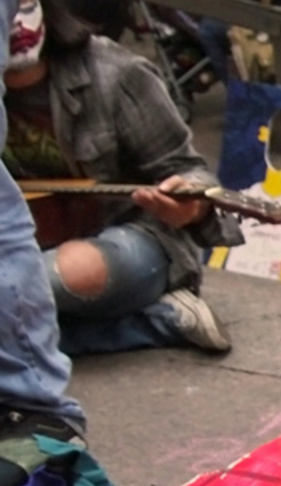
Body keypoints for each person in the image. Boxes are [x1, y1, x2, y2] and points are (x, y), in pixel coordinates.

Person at [3, 0, 241, 356]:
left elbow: (190, 170)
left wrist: (191, 209)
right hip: (22, 244)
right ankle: (158, 321)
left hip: (128, 242)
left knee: (52, 276)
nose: (15, 23)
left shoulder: (115, 72)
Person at [0, 0, 81, 435]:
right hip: (41, 249)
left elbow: (184, 169)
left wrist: (189, 202)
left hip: (120, 239)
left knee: (69, 271)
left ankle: (40, 427)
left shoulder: (110, 73)